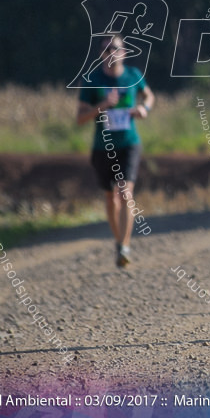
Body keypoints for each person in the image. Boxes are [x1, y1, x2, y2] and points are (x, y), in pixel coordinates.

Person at [76, 34, 155, 267]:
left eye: (115, 48)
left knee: (125, 193)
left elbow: (149, 95)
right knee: (111, 199)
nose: (111, 52)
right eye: (106, 49)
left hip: (129, 143)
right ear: (102, 54)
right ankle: (118, 239)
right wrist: (101, 106)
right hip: (103, 146)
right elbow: (80, 117)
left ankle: (124, 246)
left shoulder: (133, 75)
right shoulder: (92, 80)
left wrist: (144, 108)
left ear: (123, 53)